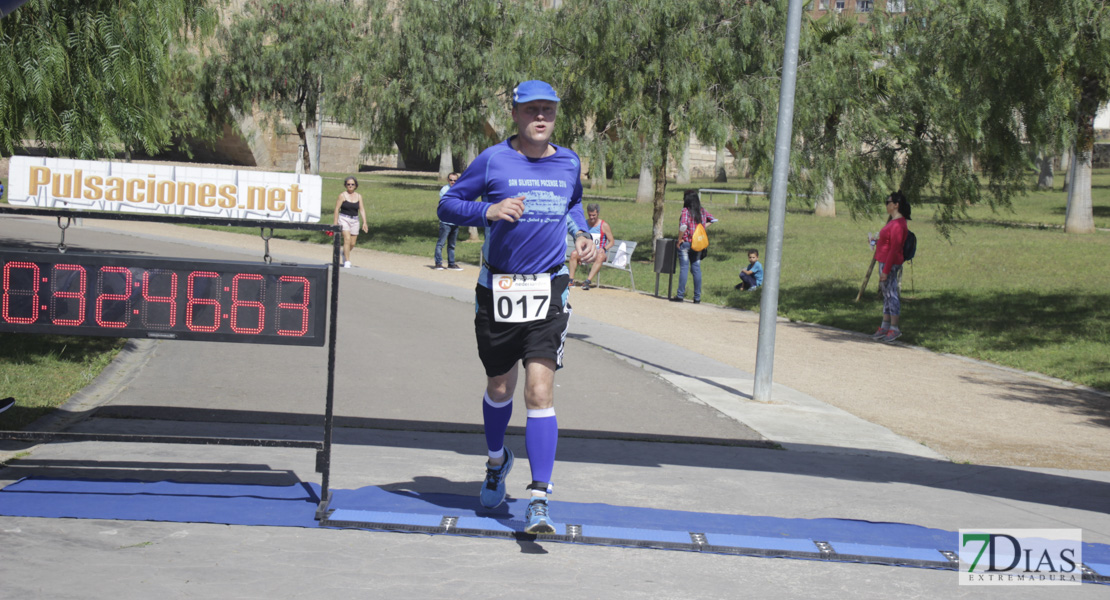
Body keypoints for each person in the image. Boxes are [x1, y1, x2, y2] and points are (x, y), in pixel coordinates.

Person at [437, 79, 596, 535]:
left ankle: (540, 499)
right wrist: (486, 212)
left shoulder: (569, 162)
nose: (540, 117)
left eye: (547, 110)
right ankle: (495, 461)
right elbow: (447, 205)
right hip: (499, 292)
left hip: (549, 290)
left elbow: (574, 207)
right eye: (531, 111)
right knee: (501, 388)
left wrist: (583, 237)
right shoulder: (493, 160)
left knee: (539, 392)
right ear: (516, 114)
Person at [872, 190, 911, 343]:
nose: (886, 205)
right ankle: (885, 325)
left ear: (896, 205)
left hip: (890, 263)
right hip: (883, 261)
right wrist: (874, 242)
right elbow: (886, 243)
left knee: (891, 294)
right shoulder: (893, 222)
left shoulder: (898, 225)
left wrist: (886, 271)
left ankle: (894, 328)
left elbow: (894, 249)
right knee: (887, 295)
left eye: (888, 202)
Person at [670, 190, 717, 304]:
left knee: (684, 269)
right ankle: (697, 298)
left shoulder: (686, 211)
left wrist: (679, 239)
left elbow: (683, 226)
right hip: (698, 244)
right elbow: (713, 219)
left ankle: (680, 295)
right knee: (696, 269)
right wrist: (701, 228)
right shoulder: (702, 211)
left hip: (686, 243)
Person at [568, 203, 613, 290]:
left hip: (597, 253)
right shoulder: (584, 224)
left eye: (594, 215)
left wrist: (604, 249)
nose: (591, 217)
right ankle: (571, 280)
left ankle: (587, 281)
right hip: (586, 252)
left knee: (600, 256)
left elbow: (611, 242)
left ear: (598, 213)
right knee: (574, 254)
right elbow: (579, 239)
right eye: (589, 215)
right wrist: (580, 253)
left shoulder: (604, 225)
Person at [333, 176, 368, 268]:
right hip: (344, 219)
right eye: (348, 184)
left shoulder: (359, 196)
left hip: (355, 220)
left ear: (356, 185)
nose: (350, 186)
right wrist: (335, 222)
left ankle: (344, 252)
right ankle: (347, 261)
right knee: (347, 239)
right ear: (345, 185)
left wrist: (365, 222)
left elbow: (362, 209)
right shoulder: (342, 195)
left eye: (352, 184)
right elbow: (337, 209)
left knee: (352, 243)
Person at [434, 172, 463, 271]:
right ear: (448, 180)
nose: (453, 182)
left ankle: (451, 263)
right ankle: (438, 263)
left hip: (455, 222)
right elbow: (446, 205)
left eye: (455, 180)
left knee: (452, 245)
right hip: (446, 222)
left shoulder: (459, 190)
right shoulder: (444, 190)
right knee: (441, 243)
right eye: (451, 180)